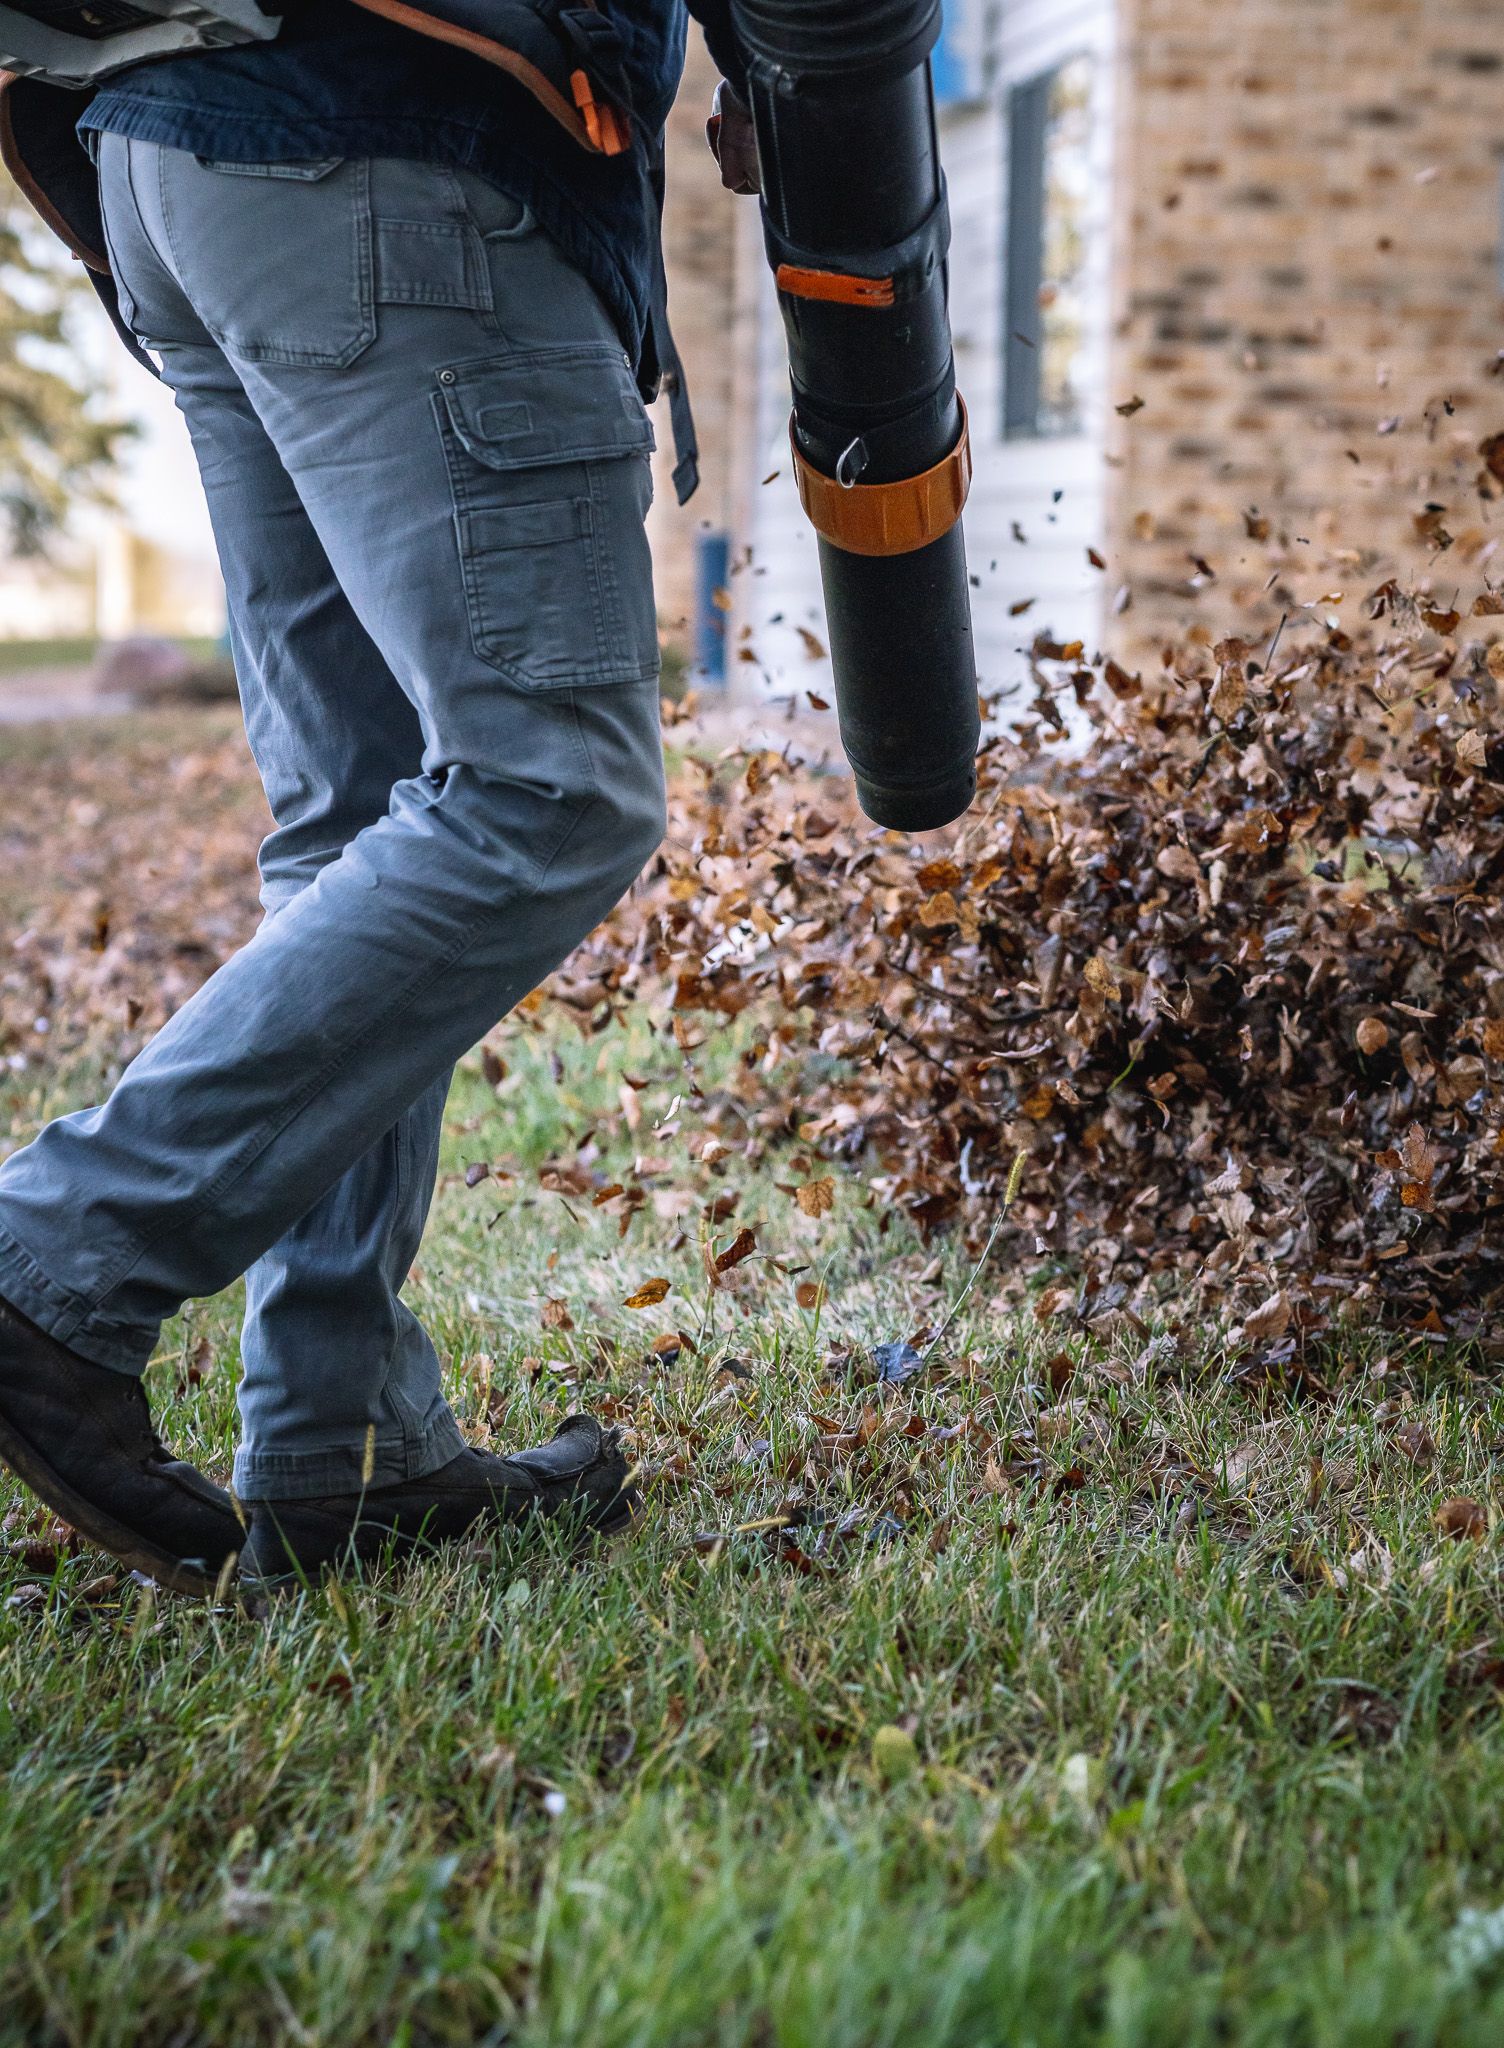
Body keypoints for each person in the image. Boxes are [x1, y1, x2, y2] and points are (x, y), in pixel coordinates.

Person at [0, 0, 758, 1591]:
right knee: (550, 785)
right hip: (400, 143)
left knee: (353, 813)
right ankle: (57, 1255)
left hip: (174, 160)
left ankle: (342, 1445)